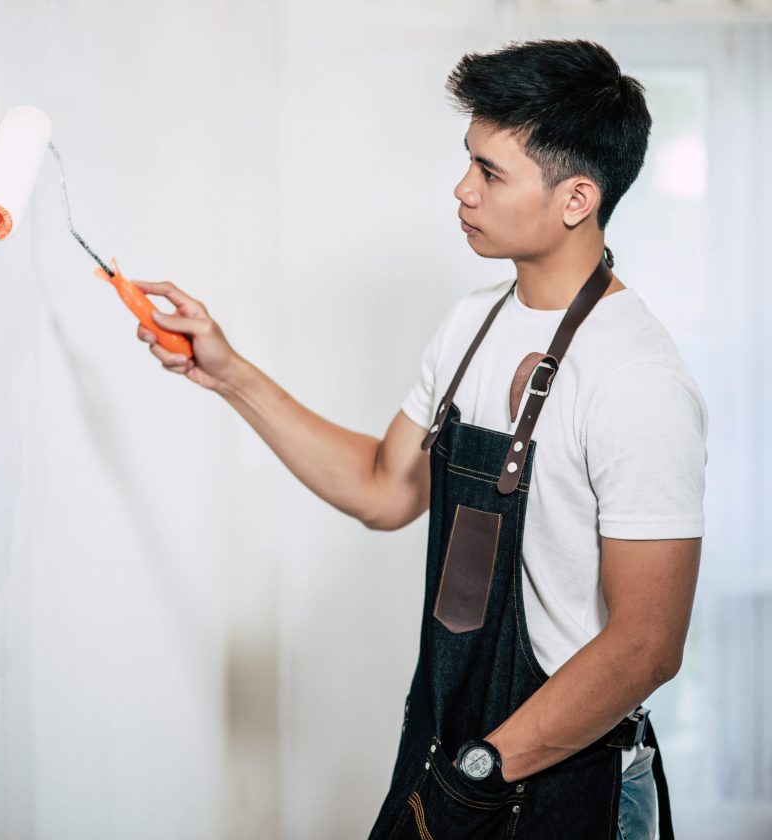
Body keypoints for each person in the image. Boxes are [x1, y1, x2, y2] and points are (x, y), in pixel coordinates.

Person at [131, 39, 707, 840]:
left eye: (491, 173)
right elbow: (383, 487)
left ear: (577, 197)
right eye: (467, 161)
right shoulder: (472, 324)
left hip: (568, 783)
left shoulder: (637, 379)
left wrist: (480, 773)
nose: (461, 190)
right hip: (451, 748)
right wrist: (227, 372)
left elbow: (646, 645)